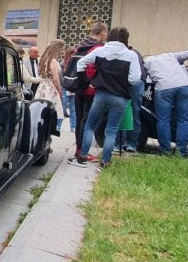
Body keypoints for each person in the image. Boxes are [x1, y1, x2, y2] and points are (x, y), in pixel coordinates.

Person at [68, 26, 141, 172]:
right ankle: (105, 162)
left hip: (101, 94)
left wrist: (89, 80)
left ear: (110, 36)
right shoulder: (131, 55)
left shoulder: (101, 50)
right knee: (112, 130)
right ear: (126, 38)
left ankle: (82, 158)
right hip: (120, 97)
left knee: (90, 126)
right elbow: (135, 79)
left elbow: (81, 63)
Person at [66, 21, 108, 162]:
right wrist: (91, 83)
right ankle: (83, 152)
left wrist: (83, 83)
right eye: (105, 34)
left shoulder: (80, 47)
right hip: (90, 92)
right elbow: (91, 68)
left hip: (79, 88)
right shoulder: (97, 48)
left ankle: (79, 149)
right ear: (102, 33)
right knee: (88, 122)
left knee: (80, 120)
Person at [34, 40, 66, 129]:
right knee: (55, 114)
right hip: (51, 88)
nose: (62, 52)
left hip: (41, 87)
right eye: (62, 49)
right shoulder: (53, 61)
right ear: (57, 49)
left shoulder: (42, 59)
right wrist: (59, 90)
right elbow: (56, 79)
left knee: (41, 112)